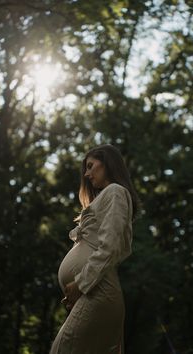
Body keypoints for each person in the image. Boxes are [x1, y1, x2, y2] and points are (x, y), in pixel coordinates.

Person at [49, 144, 140, 354]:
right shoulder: (103, 198)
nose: (87, 174)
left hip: (98, 290)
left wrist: (80, 283)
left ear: (107, 162)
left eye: (91, 166)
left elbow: (111, 246)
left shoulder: (116, 191)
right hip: (91, 291)